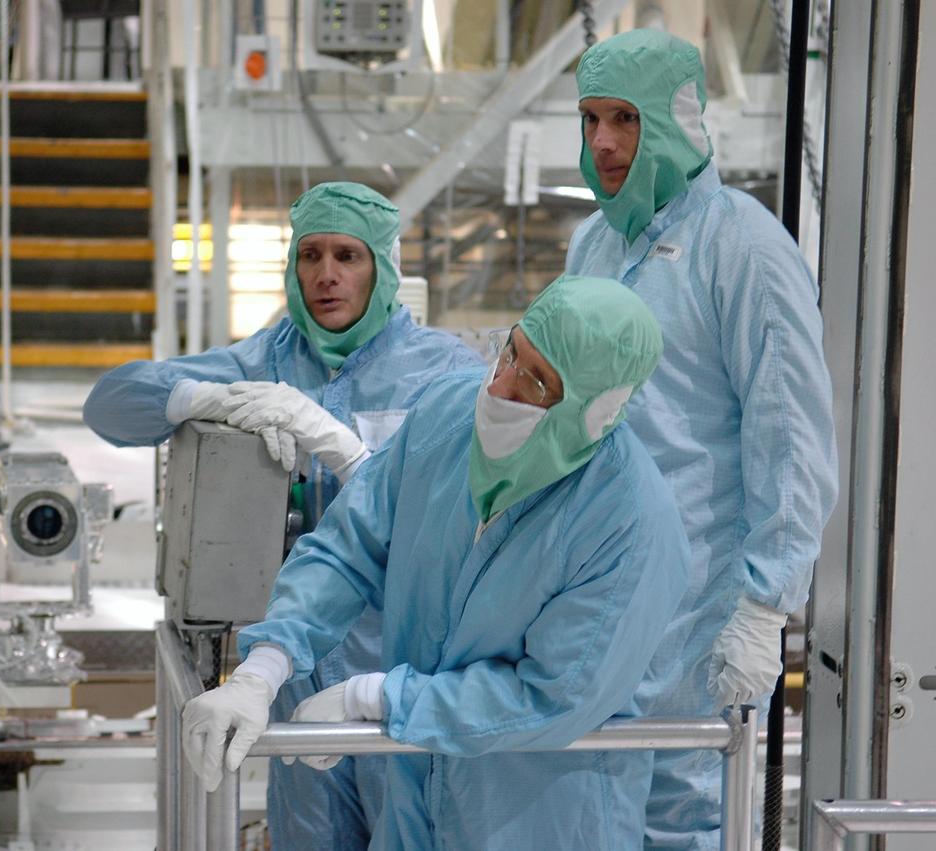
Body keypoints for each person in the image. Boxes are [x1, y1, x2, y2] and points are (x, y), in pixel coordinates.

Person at [181, 275, 692, 849]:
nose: (501, 387)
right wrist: (262, 670)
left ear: (596, 412)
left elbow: (553, 696)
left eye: (537, 382)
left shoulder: (628, 521)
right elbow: (350, 544)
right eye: (511, 352)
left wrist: (375, 698)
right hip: (416, 798)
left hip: (539, 816)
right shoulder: (449, 413)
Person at [84, 182, 483, 849]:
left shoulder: (445, 373)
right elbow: (109, 404)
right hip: (291, 667)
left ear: (382, 269)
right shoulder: (266, 362)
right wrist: (204, 397)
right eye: (311, 255)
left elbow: (464, 523)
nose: (326, 275)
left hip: (403, 665)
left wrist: (349, 453)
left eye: (348, 256)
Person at [564, 29, 838, 849]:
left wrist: (763, 602)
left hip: (697, 613)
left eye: (624, 119)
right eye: (589, 120)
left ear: (676, 121)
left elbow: (790, 438)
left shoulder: (744, 245)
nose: (603, 142)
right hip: (595, 600)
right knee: (592, 809)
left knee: (690, 817)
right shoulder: (595, 244)